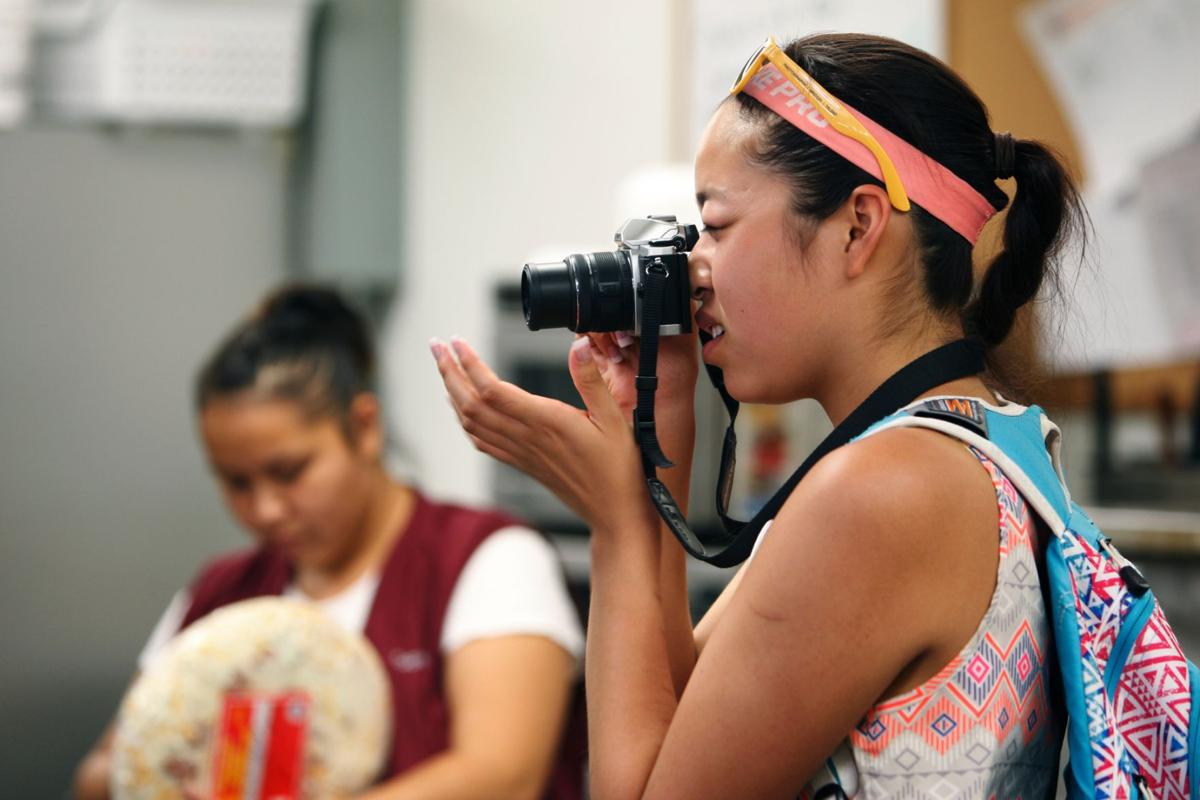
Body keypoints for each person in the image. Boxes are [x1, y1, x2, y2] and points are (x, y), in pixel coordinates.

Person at [432, 32, 1085, 798]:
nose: (693, 269)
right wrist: (659, 458)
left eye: (715, 223)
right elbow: (689, 715)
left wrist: (622, 525)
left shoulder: (880, 494)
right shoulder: (985, 436)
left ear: (858, 226)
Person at [74, 285, 585, 800]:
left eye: (289, 472)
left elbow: (503, 776)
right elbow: (102, 771)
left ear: (364, 428)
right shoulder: (221, 592)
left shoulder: (486, 558)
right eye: (237, 483)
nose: (266, 510)